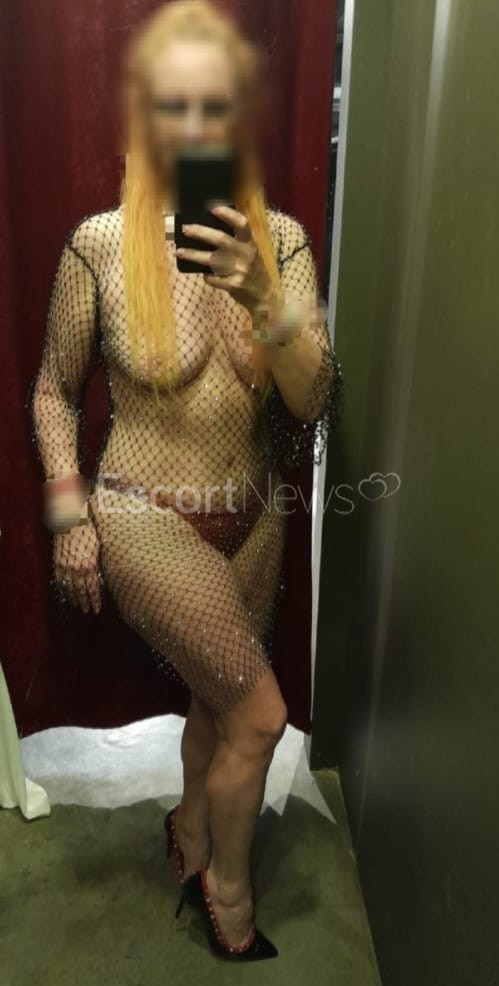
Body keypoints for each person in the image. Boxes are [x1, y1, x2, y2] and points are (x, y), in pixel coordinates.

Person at [29, 0, 344, 962]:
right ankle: (227, 894)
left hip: (253, 515)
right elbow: (52, 390)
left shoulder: (280, 242)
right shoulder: (98, 246)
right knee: (260, 713)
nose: (197, 126)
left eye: (217, 106)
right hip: (143, 513)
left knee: (217, 704)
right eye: (175, 105)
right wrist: (68, 518)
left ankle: (190, 828)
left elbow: (312, 401)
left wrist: (267, 300)